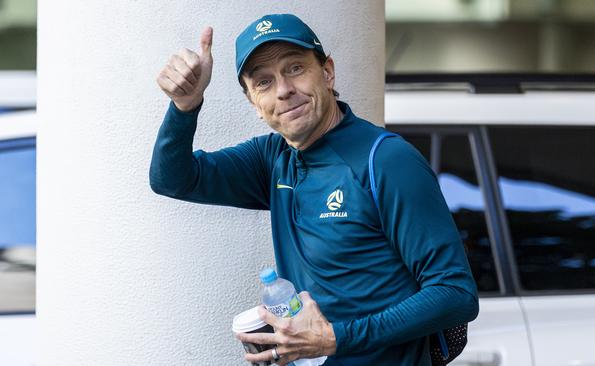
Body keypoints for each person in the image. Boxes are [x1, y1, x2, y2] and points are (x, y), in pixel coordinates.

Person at [150, 13, 478, 366]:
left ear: (327, 72)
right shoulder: (273, 158)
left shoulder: (384, 159)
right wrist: (185, 107)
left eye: (295, 68)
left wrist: (336, 338)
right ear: (254, 104)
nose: (283, 90)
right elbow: (173, 179)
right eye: (263, 81)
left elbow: (455, 293)